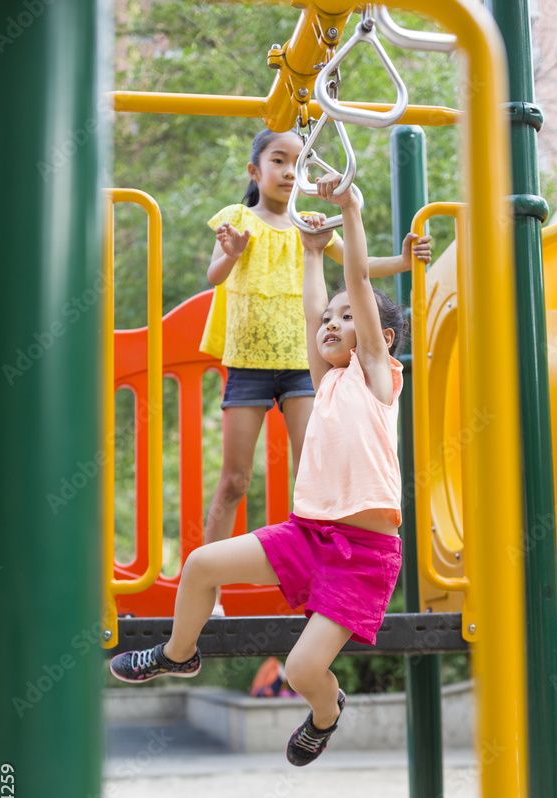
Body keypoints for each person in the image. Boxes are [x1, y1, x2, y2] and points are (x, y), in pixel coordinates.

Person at [111, 169, 418, 767]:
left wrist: (350, 211)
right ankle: (179, 652)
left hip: (364, 552)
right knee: (200, 563)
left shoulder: (378, 378)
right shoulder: (325, 381)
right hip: (307, 535)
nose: (332, 323)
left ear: (380, 337)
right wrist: (309, 256)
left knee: (305, 668)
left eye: (347, 318)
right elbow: (310, 315)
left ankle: (327, 713)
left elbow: (356, 279)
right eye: (331, 318)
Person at [200, 127, 431, 613]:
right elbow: (215, 274)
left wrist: (405, 261)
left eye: (296, 162)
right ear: (255, 171)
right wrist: (234, 252)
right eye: (277, 160)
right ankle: (211, 590)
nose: (287, 171)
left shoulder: (310, 224)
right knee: (235, 480)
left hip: (304, 369)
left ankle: (315, 577)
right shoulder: (239, 220)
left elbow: (358, 264)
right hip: (249, 363)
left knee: (316, 467)